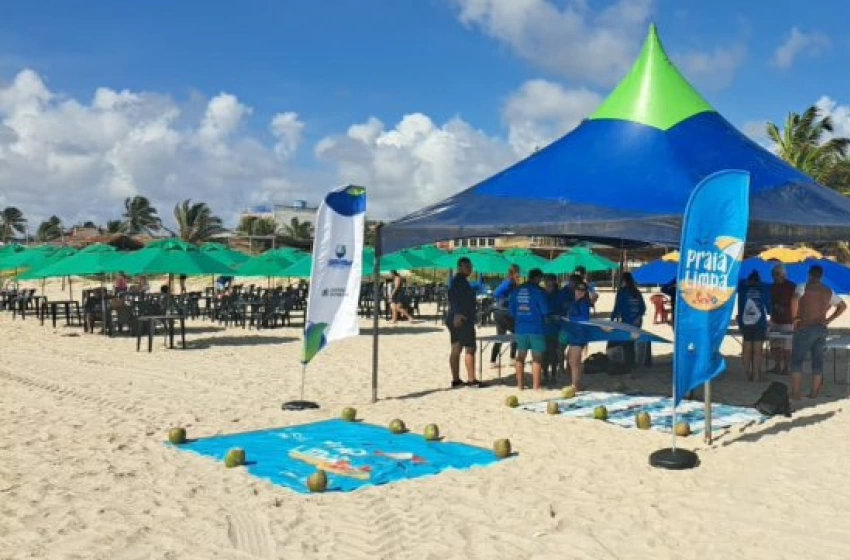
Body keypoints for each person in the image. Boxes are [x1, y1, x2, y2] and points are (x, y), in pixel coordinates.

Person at [790, 265, 847, 400]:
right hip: (821, 328)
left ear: (809, 274)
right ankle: (814, 393)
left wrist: (795, 318)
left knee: (797, 361)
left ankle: (796, 393)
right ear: (821, 276)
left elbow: (795, 299)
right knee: (817, 362)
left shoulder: (802, 287)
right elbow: (843, 306)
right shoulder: (828, 291)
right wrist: (829, 319)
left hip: (805, 326)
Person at [508, 268, 550, 391]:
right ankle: (536, 386)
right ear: (537, 278)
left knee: (520, 357)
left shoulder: (517, 291)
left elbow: (511, 312)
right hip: (536, 328)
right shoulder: (538, 292)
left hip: (520, 328)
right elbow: (545, 310)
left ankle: (520, 386)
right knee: (536, 358)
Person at [446, 257, 482, 388]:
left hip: (455, 317)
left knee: (456, 348)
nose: (470, 269)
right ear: (460, 267)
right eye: (467, 266)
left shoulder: (459, 281)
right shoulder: (458, 281)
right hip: (461, 318)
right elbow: (453, 297)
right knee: (470, 348)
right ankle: (471, 380)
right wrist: (457, 313)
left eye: (470, 266)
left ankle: (456, 380)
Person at [737, 270, 771, 382]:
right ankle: (756, 375)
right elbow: (769, 308)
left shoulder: (743, 289)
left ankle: (746, 374)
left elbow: (740, 306)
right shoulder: (764, 289)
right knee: (757, 350)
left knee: (746, 349)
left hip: (745, 322)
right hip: (759, 323)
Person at [611, 272, 647, 369]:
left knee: (627, 343)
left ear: (623, 281)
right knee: (632, 342)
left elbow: (617, 307)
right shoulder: (636, 292)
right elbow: (643, 308)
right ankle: (633, 363)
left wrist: (612, 319)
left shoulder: (621, 292)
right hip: (637, 322)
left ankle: (629, 364)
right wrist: (638, 317)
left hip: (627, 321)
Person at [563, 279, 593, 390]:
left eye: (583, 289)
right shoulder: (573, 302)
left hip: (579, 335)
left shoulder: (584, 303)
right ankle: (578, 384)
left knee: (574, 361)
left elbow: (585, 319)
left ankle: (575, 385)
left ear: (585, 292)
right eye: (578, 289)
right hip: (573, 334)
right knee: (572, 360)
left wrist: (571, 318)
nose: (580, 291)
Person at [490, 264, 520, 368]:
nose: (519, 275)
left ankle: (493, 361)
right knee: (516, 333)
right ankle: (512, 359)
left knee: (500, 337)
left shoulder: (508, 282)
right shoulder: (509, 283)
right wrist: (507, 300)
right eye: (517, 273)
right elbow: (496, 294)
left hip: (500, 313)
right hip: (503, 313)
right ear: (513, 273)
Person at [769, 264, 796, 375]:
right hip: (775, 320)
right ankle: (777, 366)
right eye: (773, 275)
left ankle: (787, 368)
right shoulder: (773, 286)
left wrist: (785, 308)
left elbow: (796, 302)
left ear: (783, 275)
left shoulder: (791, 286)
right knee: (775, 345)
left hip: (788, 320)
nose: (774, 277)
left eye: (776, 275)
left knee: (787, 347)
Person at [541, 273, 562, 381]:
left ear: (554, 282)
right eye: (546, 283)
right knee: (544, 353)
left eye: (549, 282)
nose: (547, 285)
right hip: (543, 328)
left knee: (553, 352)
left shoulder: (558, 294)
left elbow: (562, 310)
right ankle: (545, 375)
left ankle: (553, 375)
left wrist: (556, 316)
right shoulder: (542, 294)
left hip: (554, 328)